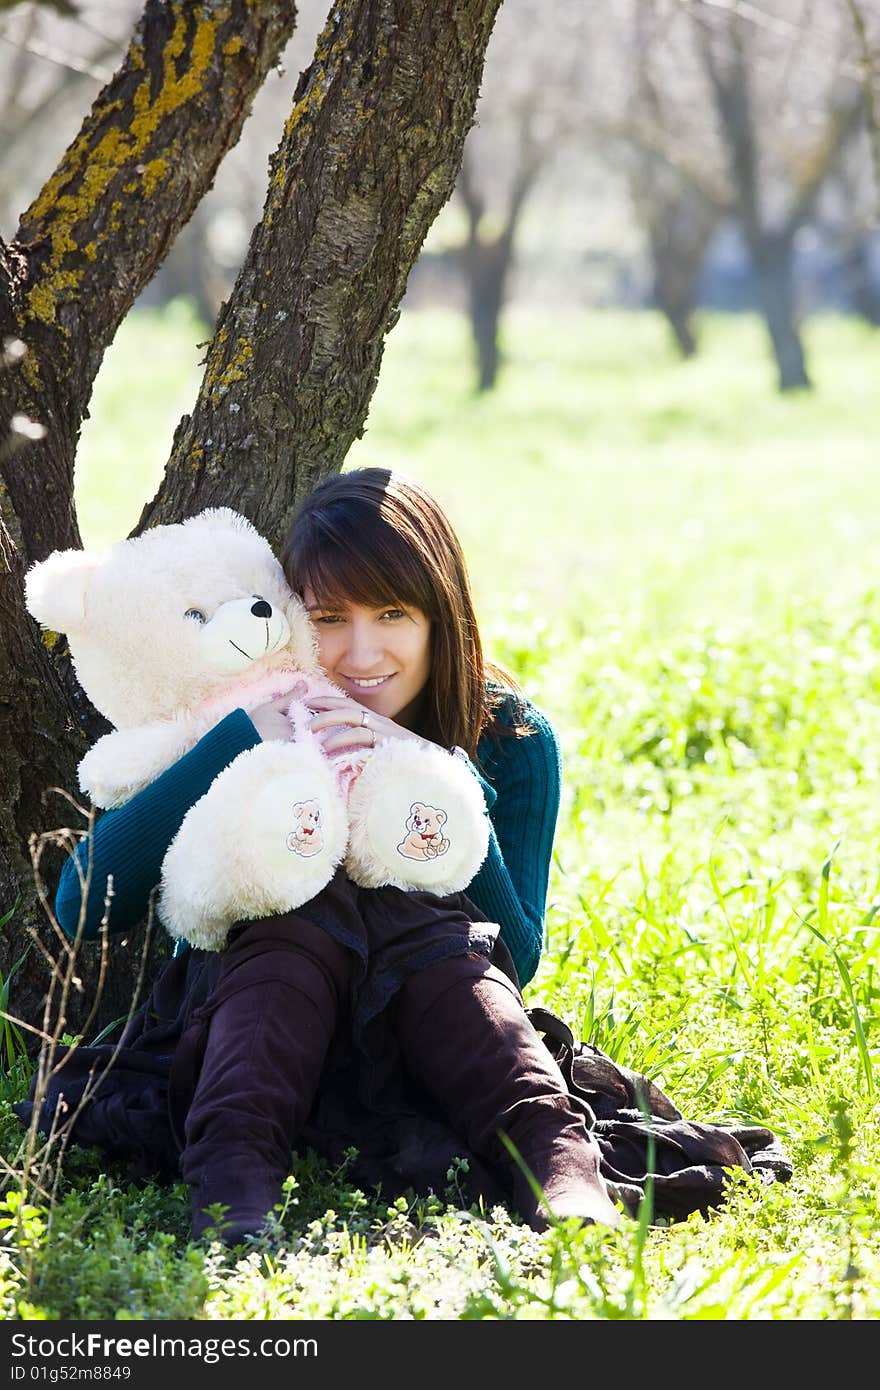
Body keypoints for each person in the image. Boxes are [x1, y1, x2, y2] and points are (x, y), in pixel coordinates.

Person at [22, 468, 623, 1243]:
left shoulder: (508, 737)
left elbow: (521, 953)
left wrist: (435, 779)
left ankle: (559, 1164)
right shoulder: (251, 712)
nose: (360, 652)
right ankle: (234, 1187)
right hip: (256, 1029)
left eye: (394, 613)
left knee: (411, 906)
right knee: (301, 901)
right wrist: (245, 739)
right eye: (331, 616)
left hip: (437, 1030)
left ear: (443, 615)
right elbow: (82, 905)